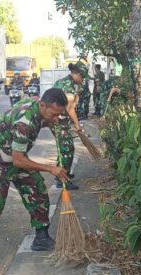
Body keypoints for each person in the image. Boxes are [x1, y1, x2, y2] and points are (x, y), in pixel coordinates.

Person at [0, 88, 70, 275]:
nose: (56, 118)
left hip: (16, 156)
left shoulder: (40, 106)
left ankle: (41, 237)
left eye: (60, 114)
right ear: (42, 105)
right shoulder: (25, 121)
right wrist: (51, 168)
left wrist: (55, 124)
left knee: (38, 190)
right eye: (54, 114)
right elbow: (18, 161)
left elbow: (19, 157)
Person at [51, 62, 88, 190]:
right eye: (82, 77)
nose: (83, 80)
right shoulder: (67, 85)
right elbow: (70, 107)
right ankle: (62, 179)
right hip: (58, 121)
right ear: (77, 74)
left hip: (59, 120)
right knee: (67, 149)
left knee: (64, 148)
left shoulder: (66, 82)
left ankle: (62, 173)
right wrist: (77, 125)